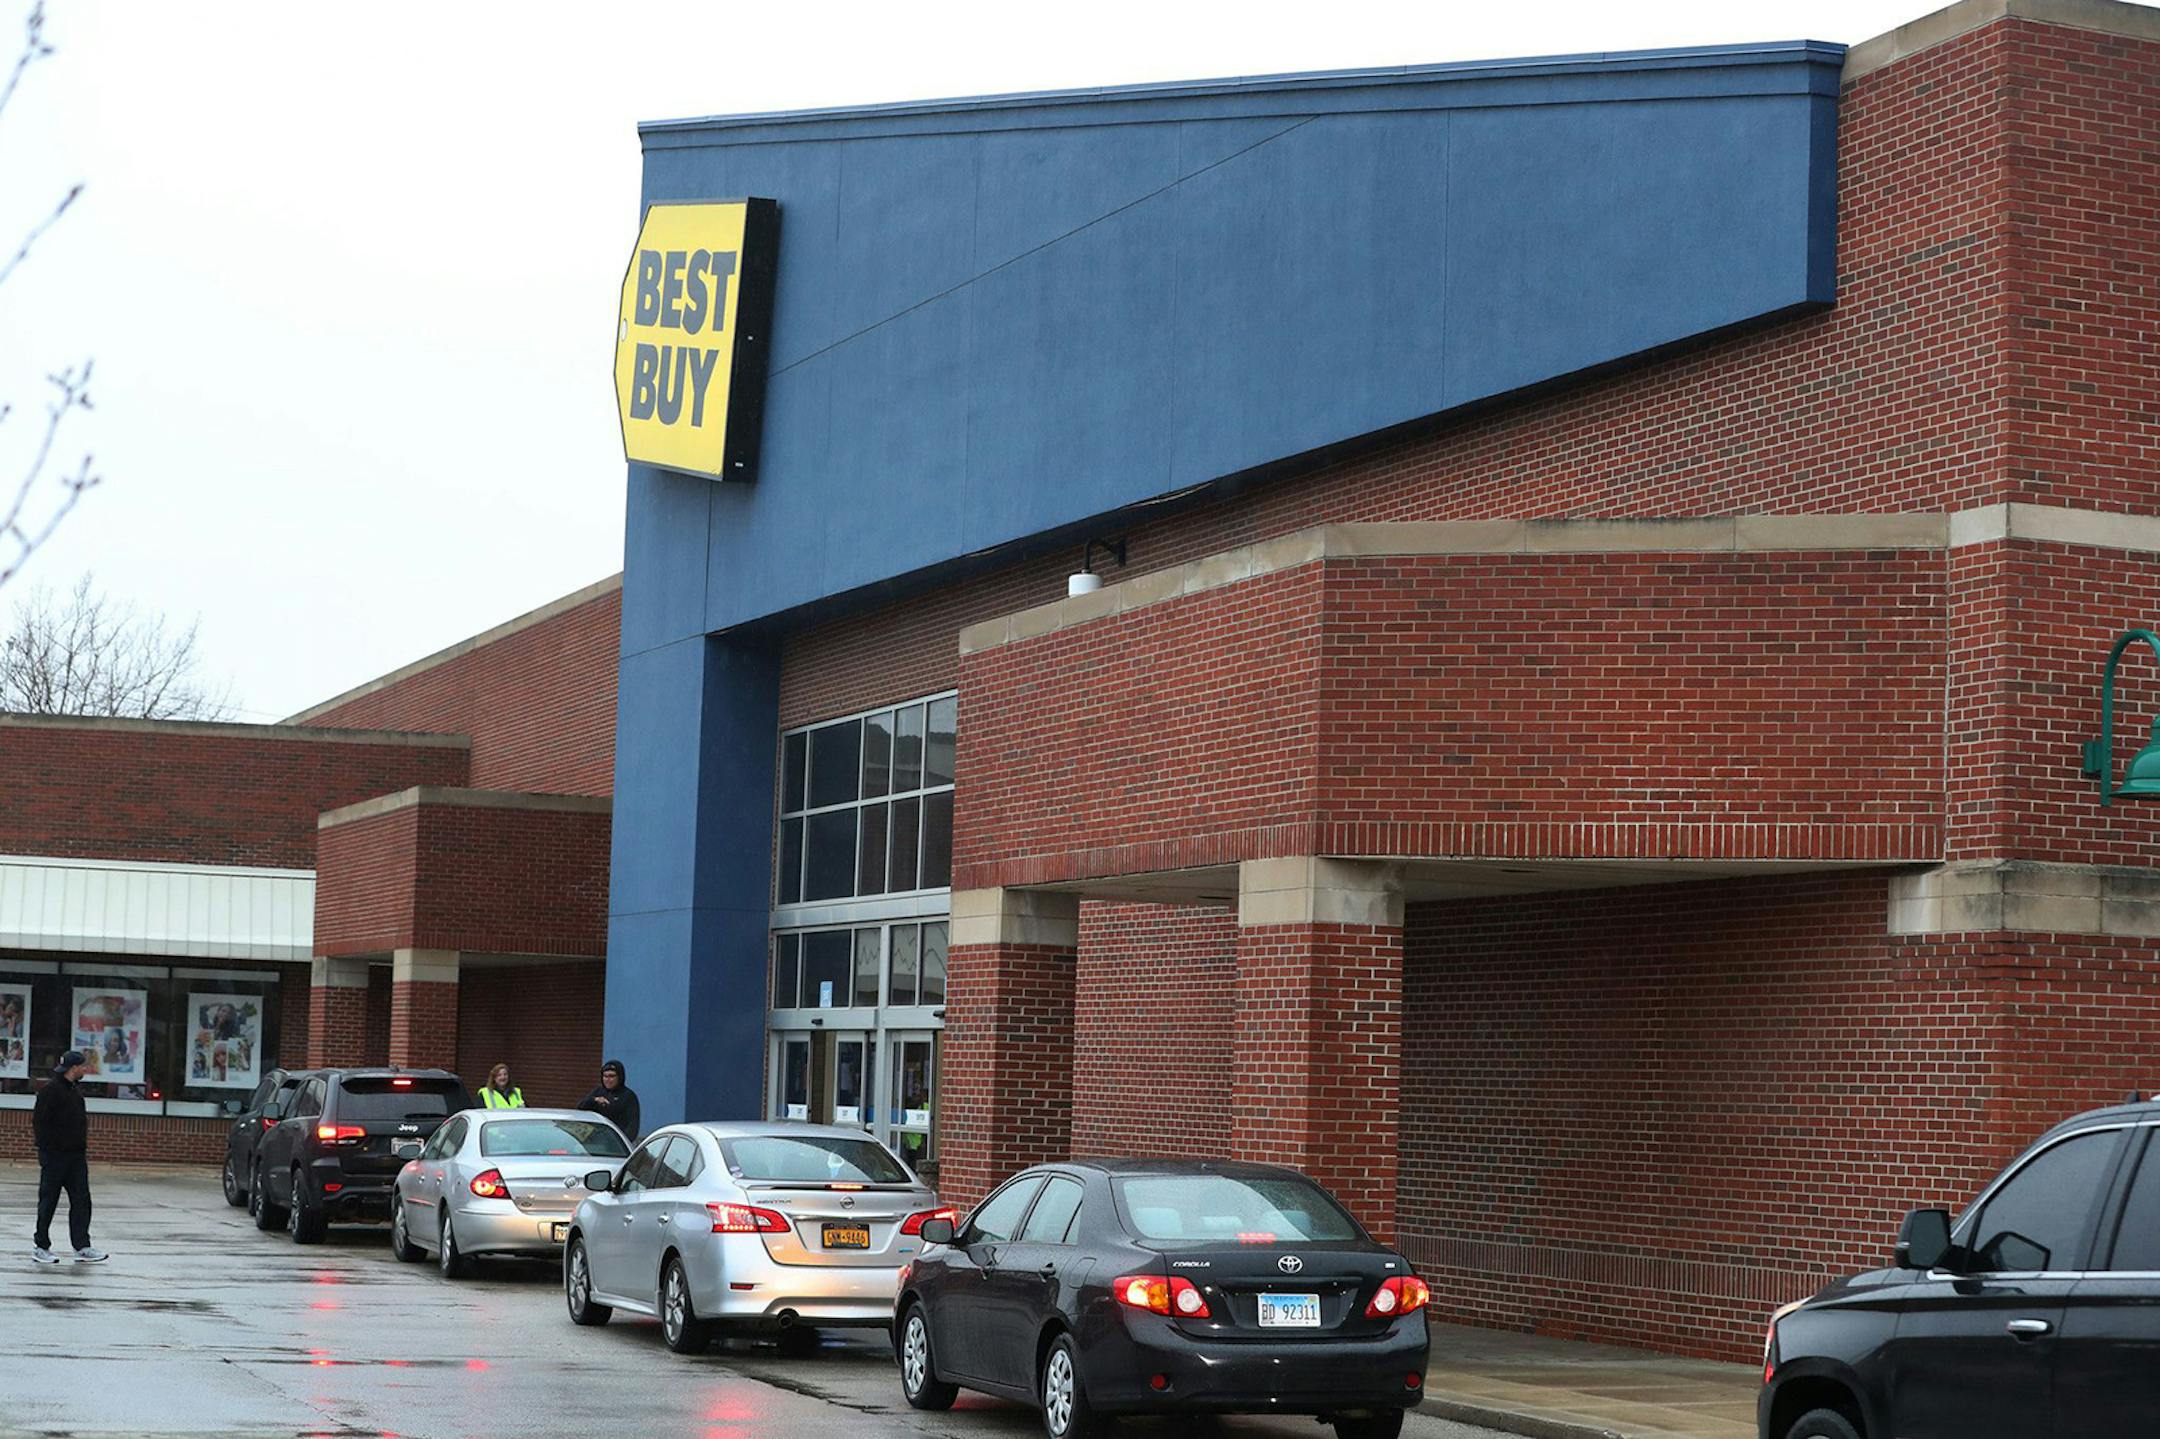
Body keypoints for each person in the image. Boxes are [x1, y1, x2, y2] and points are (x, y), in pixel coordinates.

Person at [32, 1051, 106, 1265]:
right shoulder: (50, 1092)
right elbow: (40, 1124)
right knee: (48, 1201)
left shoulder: (75, 1091)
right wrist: (47, 1153)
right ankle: (41, 1246)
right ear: (74, 1068)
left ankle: (82, 1246)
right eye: (83, 1067)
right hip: (55, 1157)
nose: (85, 1070)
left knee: (82, 1200)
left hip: (76, 1157)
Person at [577, 1059, 640, 1140]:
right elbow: (580, 1107)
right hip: (594, 1140)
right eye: (605, 1076)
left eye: (611, 1076)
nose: (608, 1079)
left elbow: (633, 1125)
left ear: (620, 1077)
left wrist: (623, 1143)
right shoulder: (598, 1091)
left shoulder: (628, 1096)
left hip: (616, 1143)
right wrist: (595, 1100)